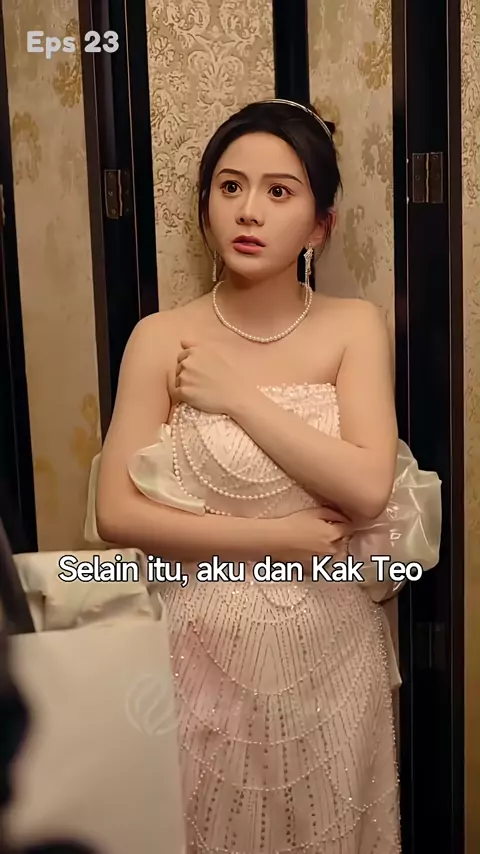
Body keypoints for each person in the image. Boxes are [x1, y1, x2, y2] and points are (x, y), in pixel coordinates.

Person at [96, 99, 401, 853]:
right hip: (201, 648)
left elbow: (368, 488)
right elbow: (117, 515)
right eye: (230, 187)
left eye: (279, 191)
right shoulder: (160, 338)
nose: (248, 211)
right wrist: (274, 541)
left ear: (321, 225)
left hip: (333, 650)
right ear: (206, 205)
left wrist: (237, 396)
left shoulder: (354, 327)